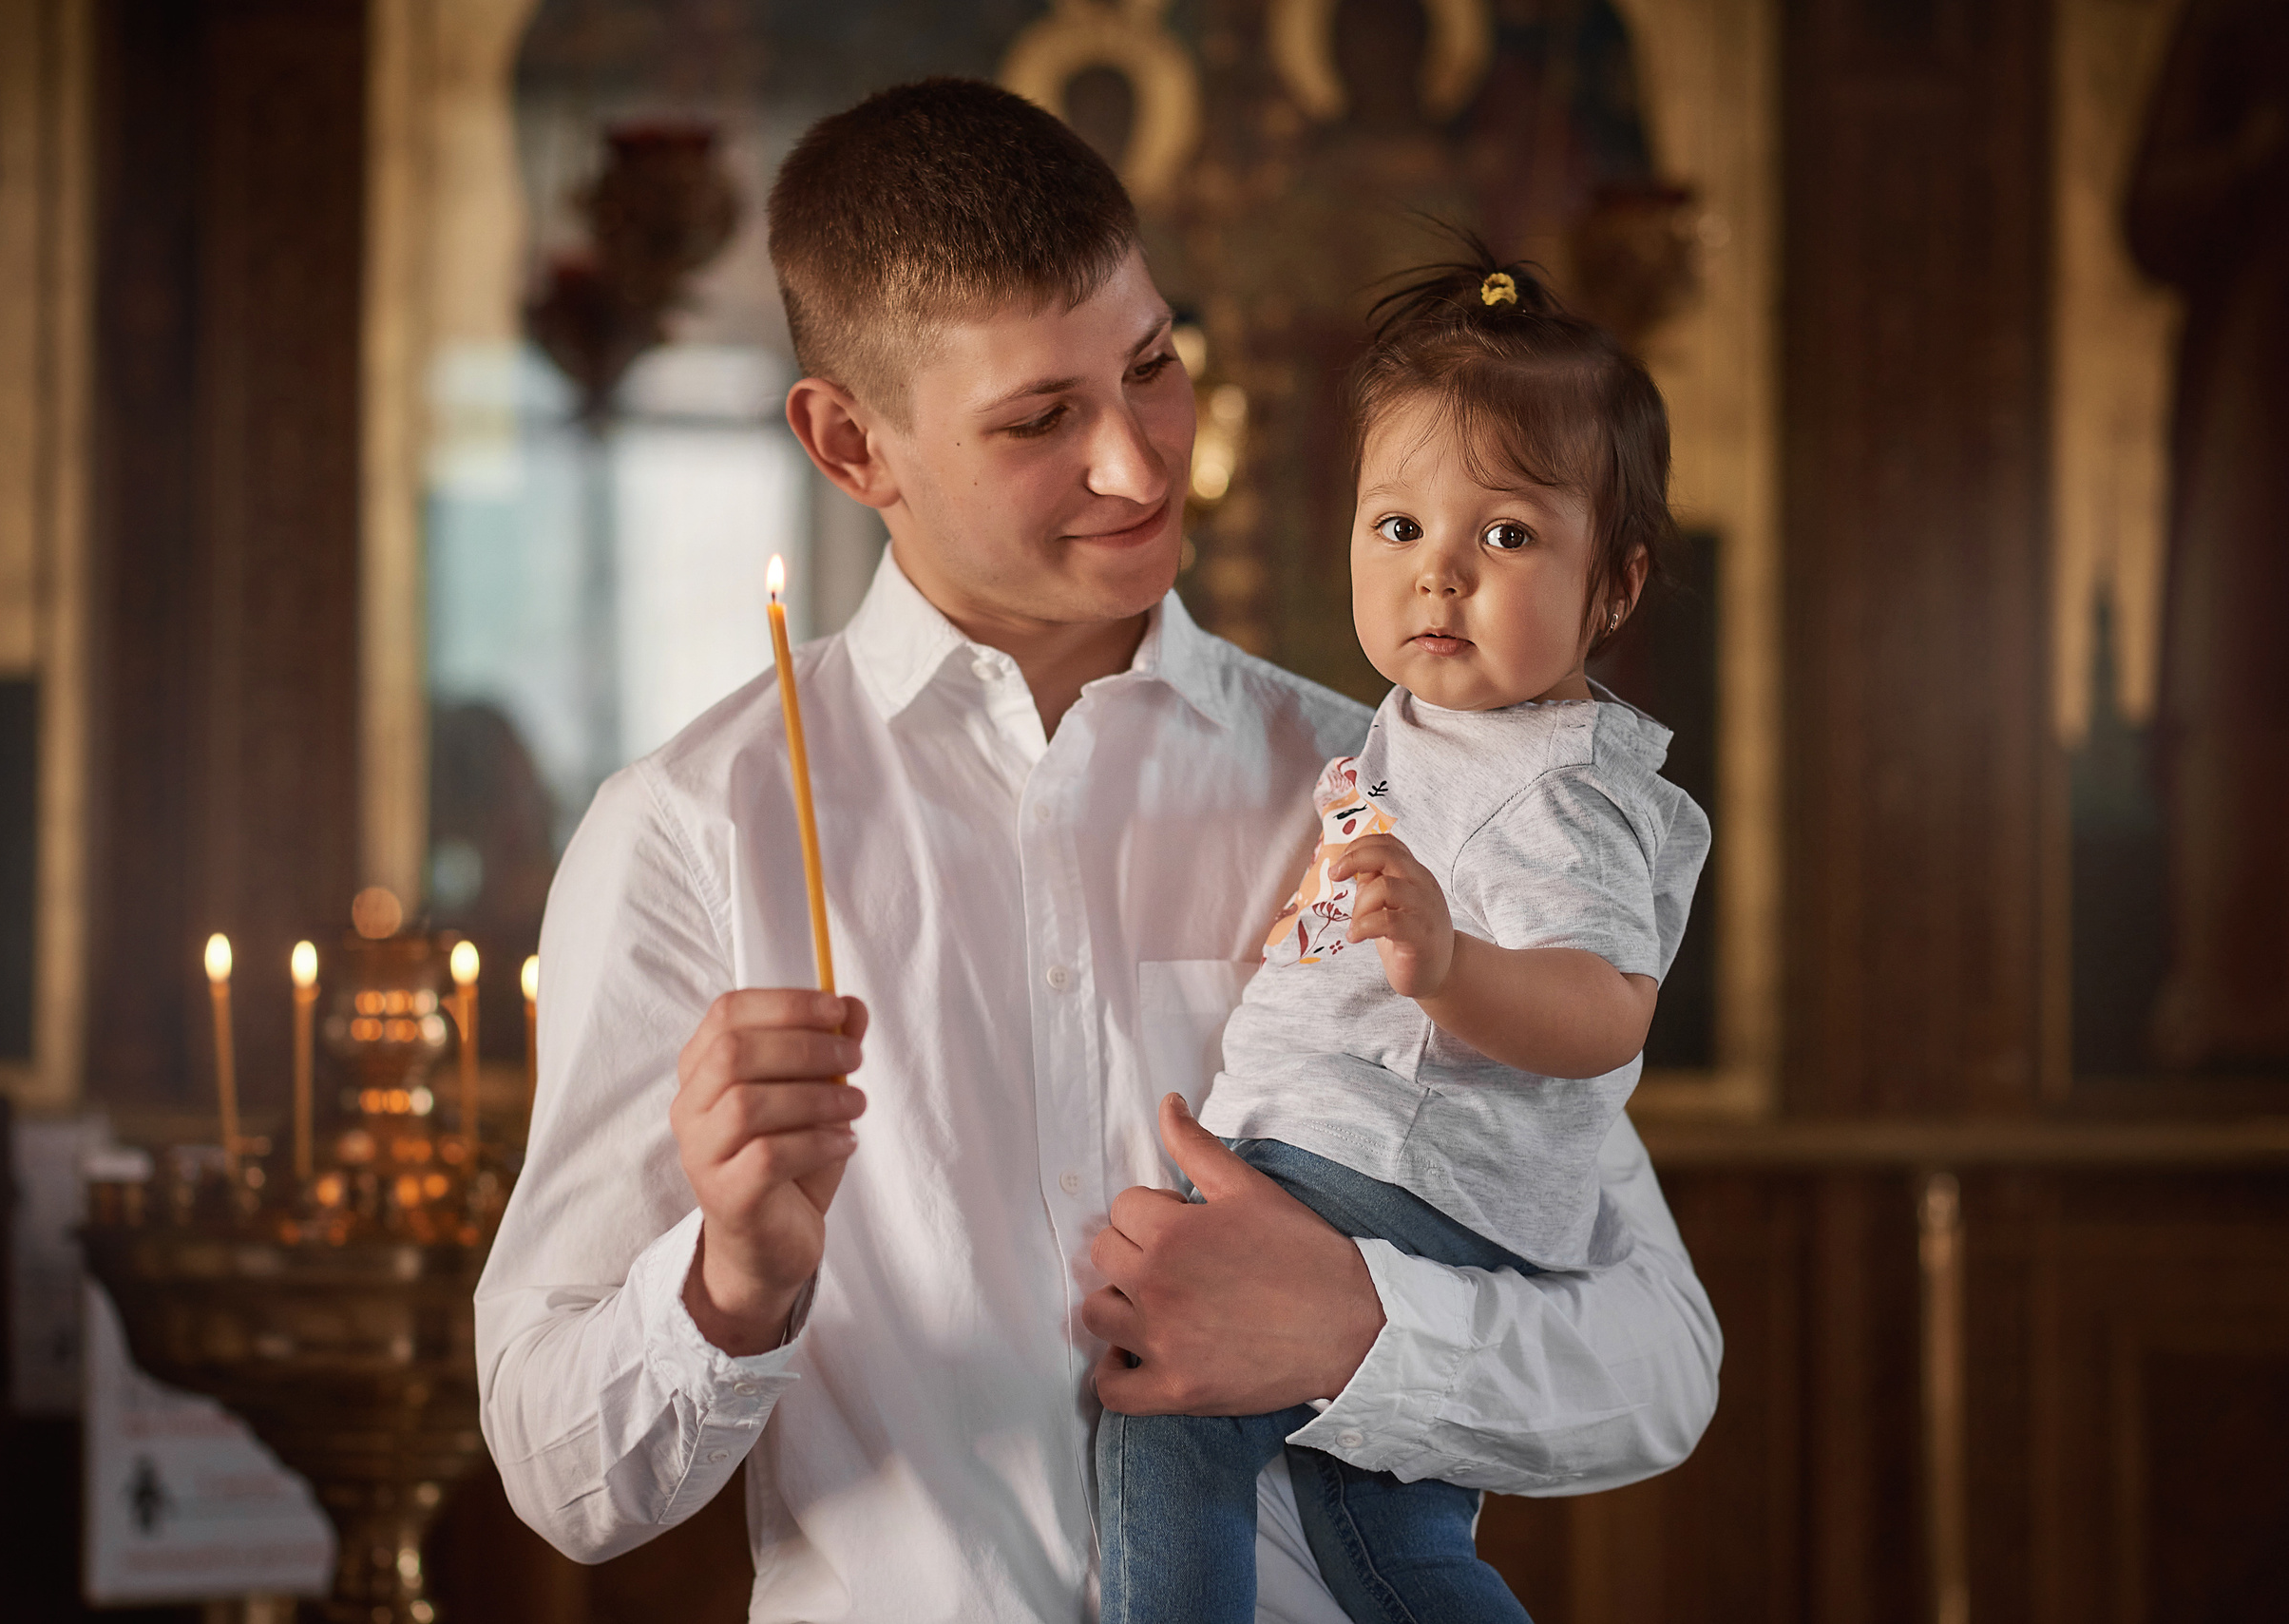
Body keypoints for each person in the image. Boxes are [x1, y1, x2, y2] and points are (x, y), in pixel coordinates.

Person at [475, 80, 1721, 1623]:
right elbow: (557, 1471)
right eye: (1039, 419)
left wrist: (1357, 1330)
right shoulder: (686, 831)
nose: (1141, 466)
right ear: (850, 442)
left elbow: (1659, 1358)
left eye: (1151, 368)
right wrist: (733, 1280)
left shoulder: (1394, 784)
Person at [1096, 244, 1708, 1624]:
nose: (1440, 576)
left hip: (1405, 1165)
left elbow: (1611, 1004)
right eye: (1398, 528)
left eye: (1504, 536)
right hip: (1399, 1159)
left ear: (1612, 586)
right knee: (1387, 1533)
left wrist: (1451, 967)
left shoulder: (1560, 782)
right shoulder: (1429, 737)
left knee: (1167, 1403)